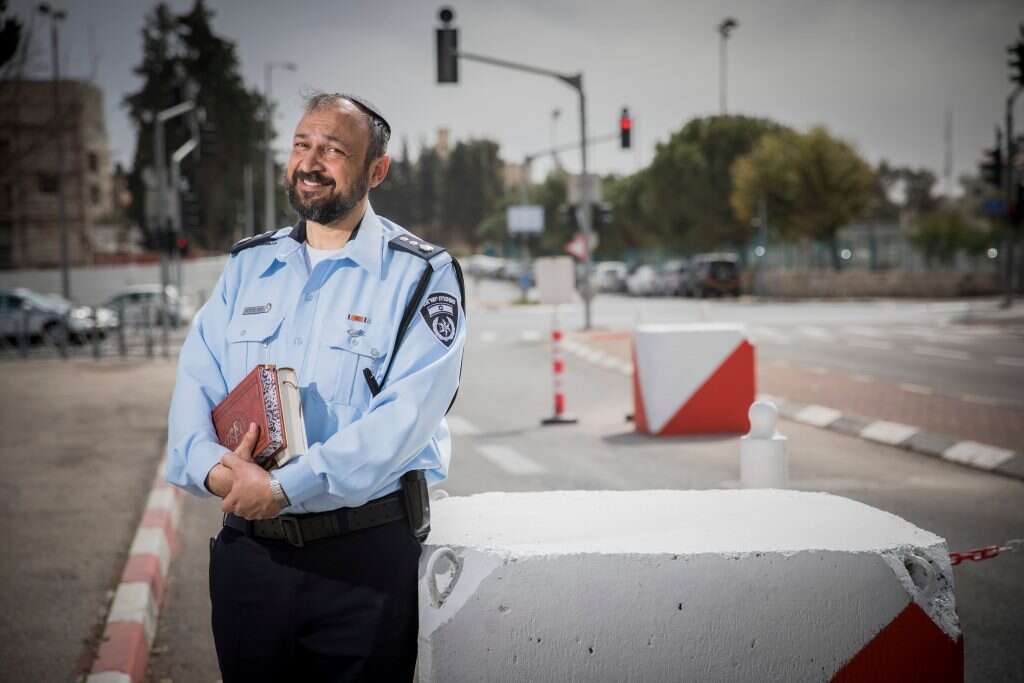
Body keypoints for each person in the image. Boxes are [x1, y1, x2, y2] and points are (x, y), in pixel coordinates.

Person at [165, 91, 466, 682]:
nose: (311, 161)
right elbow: (193, 392)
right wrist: (221, 473)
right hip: (249, 561)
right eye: (302, 145)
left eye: (333, 150)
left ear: (375, 170)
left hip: (363, 564)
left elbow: (403, 422)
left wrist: (282, 489)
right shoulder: (248, 266)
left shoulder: (422, 275)